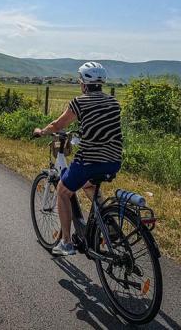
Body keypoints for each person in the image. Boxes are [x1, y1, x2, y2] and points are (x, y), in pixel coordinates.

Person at [33, 62, 123, 256]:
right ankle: (109, 225)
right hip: (114, 160)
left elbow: (58, 124)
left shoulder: (79, 102)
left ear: (83, 83)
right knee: (89, 186)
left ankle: (66, 243)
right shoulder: (114, 102)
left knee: (64, 191)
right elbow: (103, 128)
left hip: (90, 161)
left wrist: (41, 131)